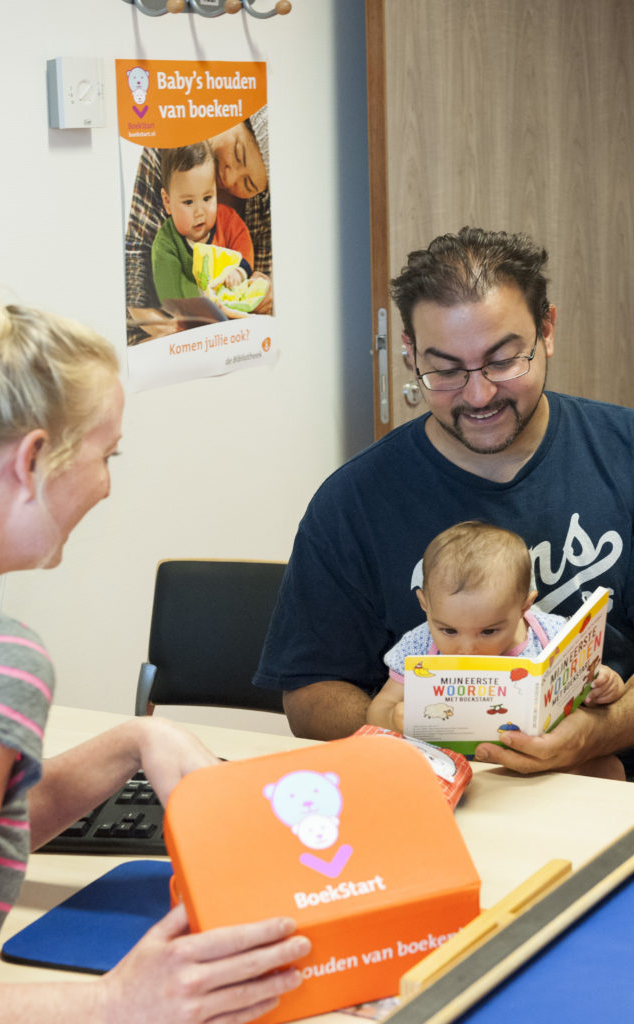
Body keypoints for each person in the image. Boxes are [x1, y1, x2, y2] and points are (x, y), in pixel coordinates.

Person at [0, 276, 310, 1019]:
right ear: (32, 461)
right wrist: (118, 1004)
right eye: (108, 454)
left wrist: (131, 743)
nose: (108, 486)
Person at [253, 226, 634, 777]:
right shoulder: (353, 502)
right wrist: (428, 740)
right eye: (447, 370)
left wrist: (598, 732)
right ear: (408, 354)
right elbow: (310, 695)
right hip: (428, 794)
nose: (479, 396)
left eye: (504, 361)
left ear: (547, 330)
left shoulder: (623, 451)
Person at [367, 522, 625, 777]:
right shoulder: (419, 646)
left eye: (489, 631)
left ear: (525, 605)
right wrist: (393, 719)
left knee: (609, 767)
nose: (467, 650)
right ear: (425, 604)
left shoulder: (553, 635)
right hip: (452, 770)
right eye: (448, 630)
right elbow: (379, 709)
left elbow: (588, 681)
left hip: (545, 766)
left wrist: (606, 684)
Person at [126, 108, 272, 314]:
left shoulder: (249, 215)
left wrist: (261, 287)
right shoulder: (167, 147)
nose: (229, 179)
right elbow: (137, 253)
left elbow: (262, 273)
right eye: (237, 154)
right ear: (232, 118)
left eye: (247, 184)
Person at [151, 143, 254, 304]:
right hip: (193, 314)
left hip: (231, 304)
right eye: (188, 202)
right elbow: (169, 295)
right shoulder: (166, 243)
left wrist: (238, 271)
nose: (200, 212)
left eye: (207, 198)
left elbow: (244, 249)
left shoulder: (228, 220)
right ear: (167, 202)